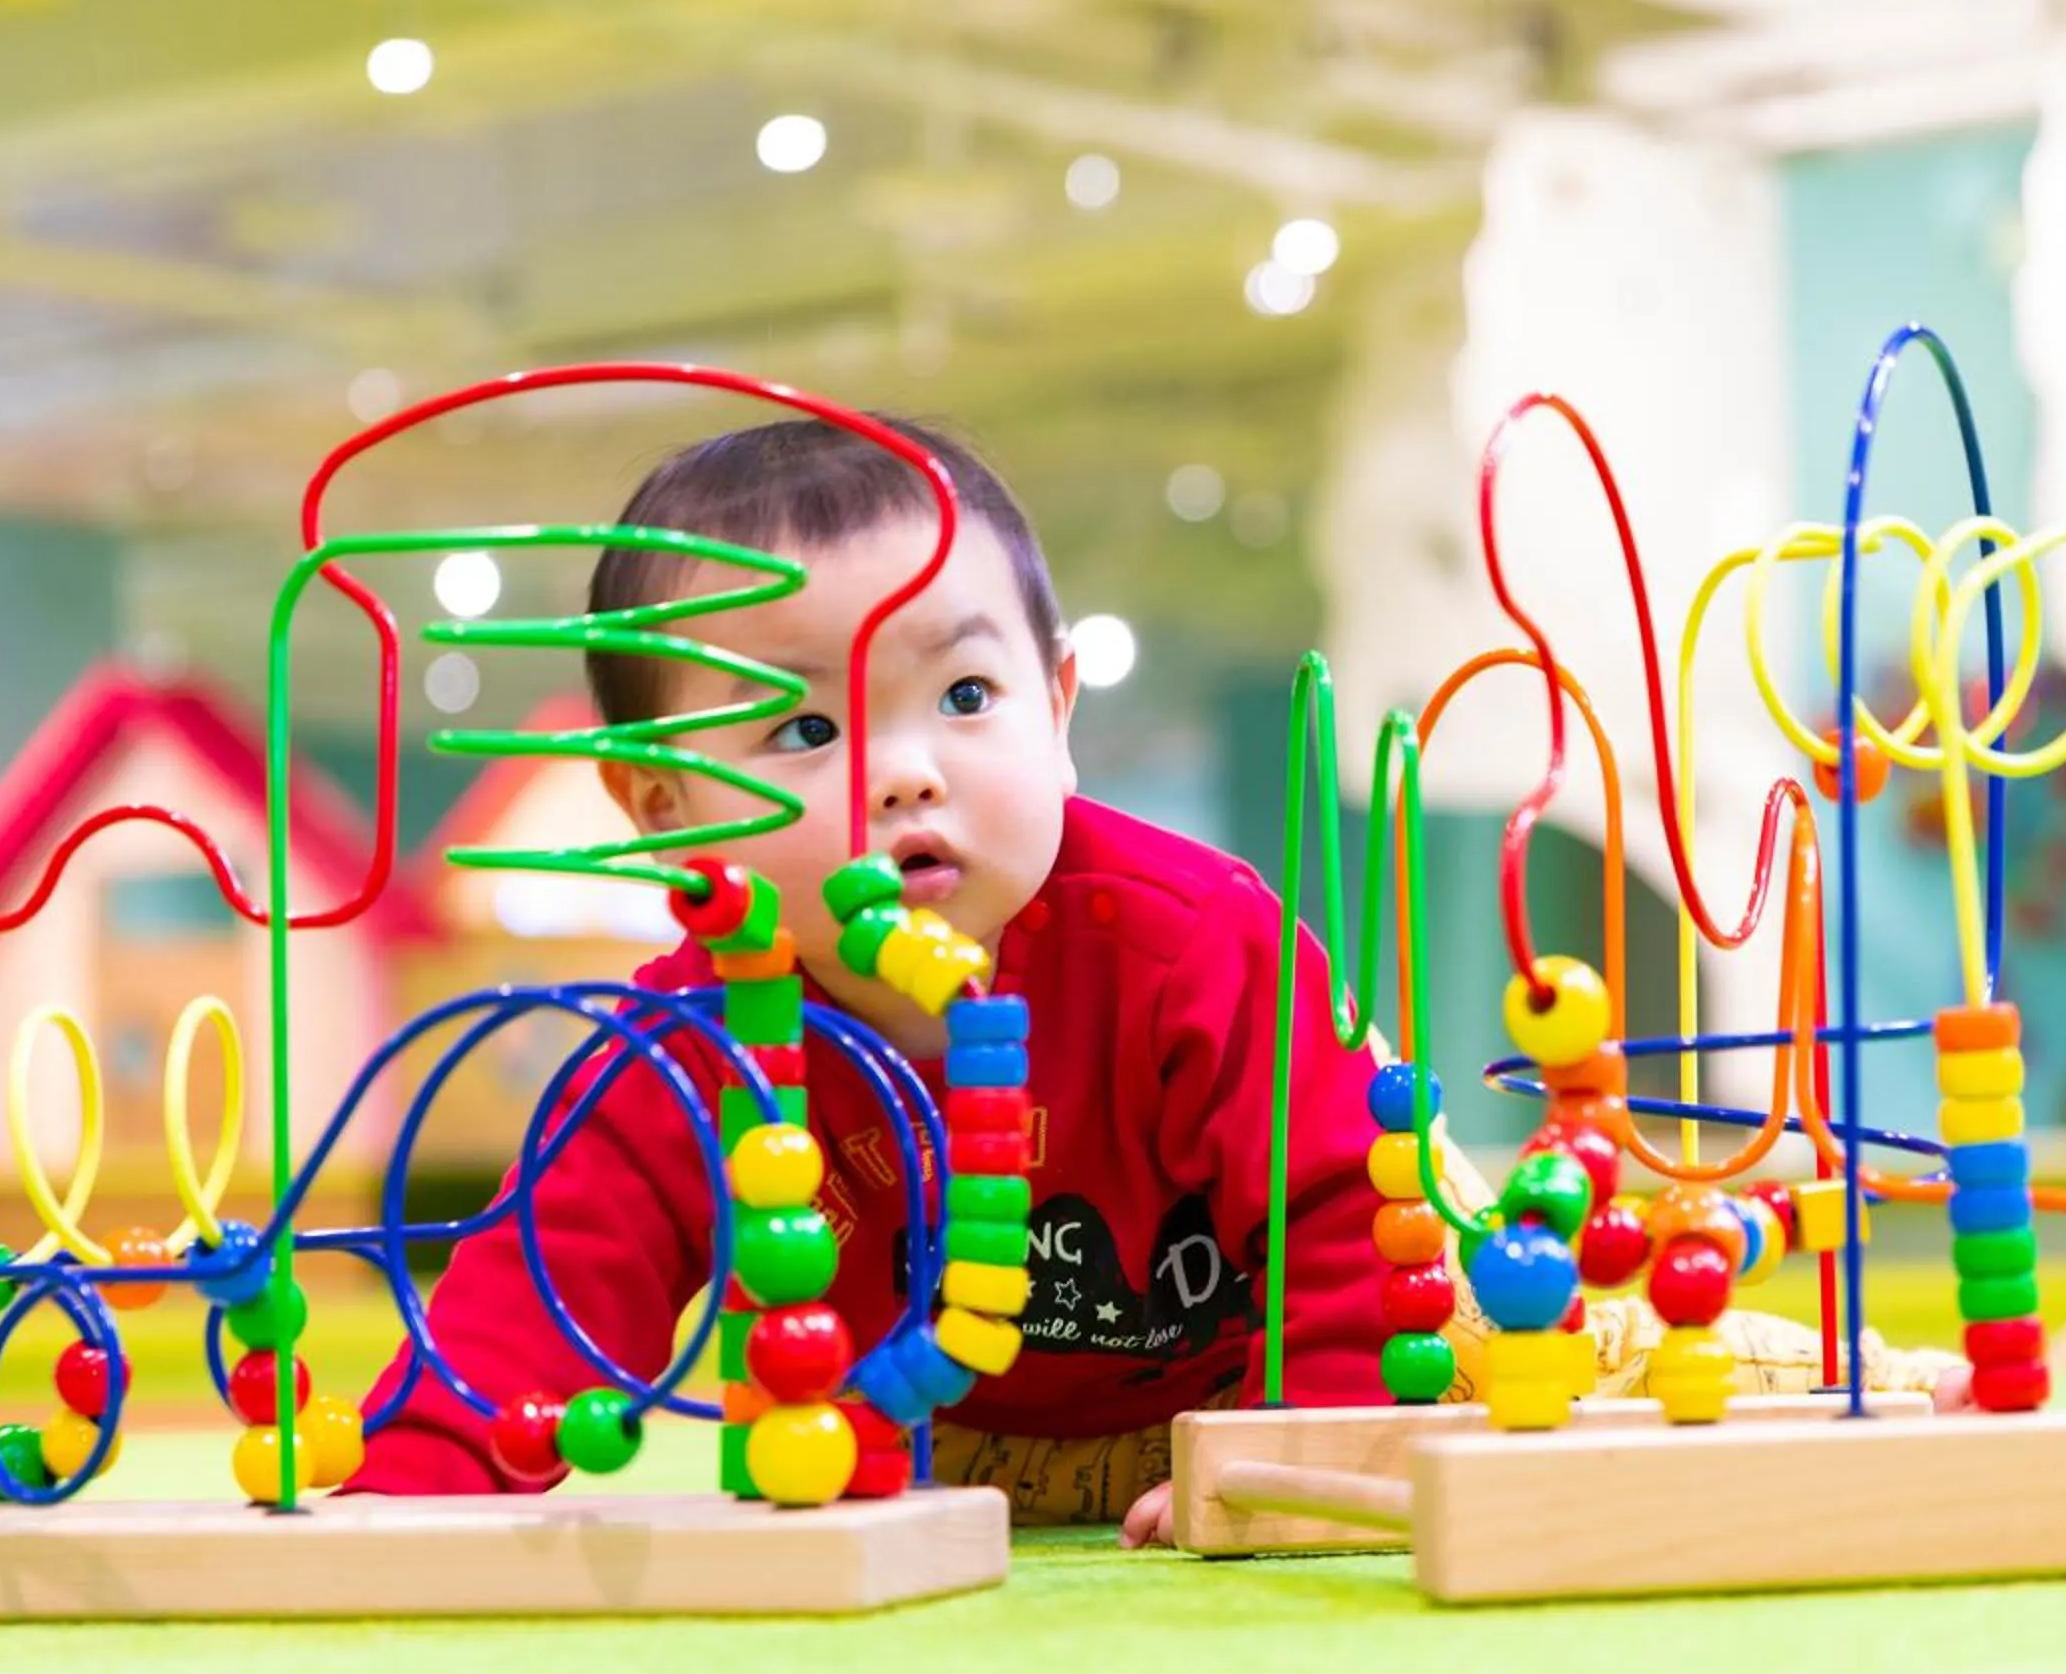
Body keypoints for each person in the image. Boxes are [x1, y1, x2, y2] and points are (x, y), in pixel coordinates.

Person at [351, 411, 1955, 1544]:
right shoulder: (673, 1053)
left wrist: (1303, 1455)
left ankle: (1892, 1388)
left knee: (1586, 1350)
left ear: (1059, 707)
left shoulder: (1196, 940)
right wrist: (402, 1496)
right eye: (804, 729)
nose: (906, 774)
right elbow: (533, 1303)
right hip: (982, 1440)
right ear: (659, 808)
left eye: (963, 694)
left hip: (1363, 1338)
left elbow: (1343, 1208)